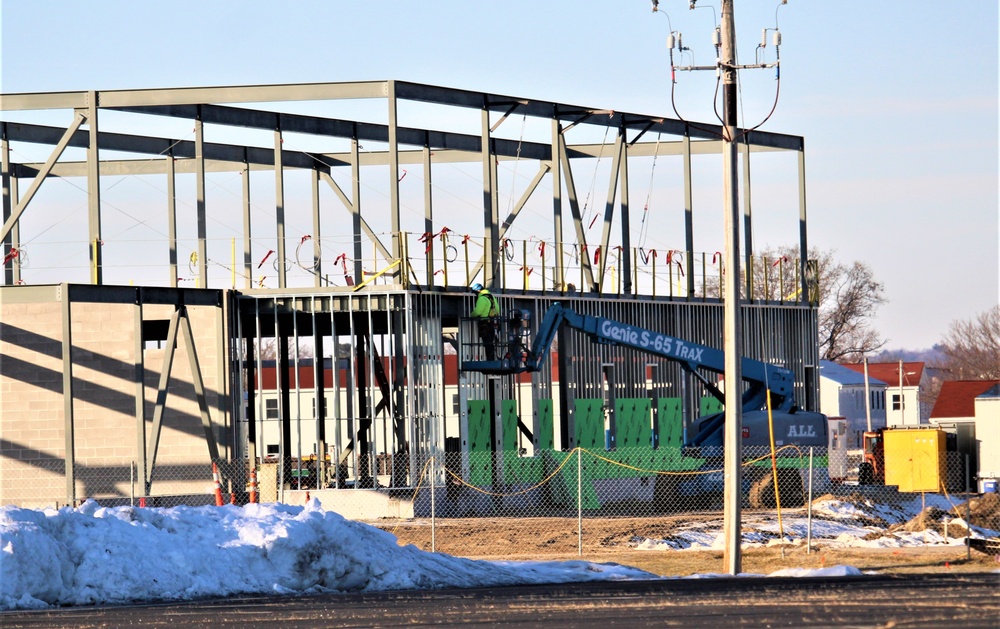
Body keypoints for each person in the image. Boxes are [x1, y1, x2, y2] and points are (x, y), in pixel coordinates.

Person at [469, 282, 500, 360]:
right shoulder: (492, 297)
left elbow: (478, 312)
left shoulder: (482, 298)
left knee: (487, 342)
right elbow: (498, 310)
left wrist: (471, 315)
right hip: (493, 322)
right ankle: (492, 359)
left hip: (485, 323)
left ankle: (490, 359)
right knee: (491, 342)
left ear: (478, 291)